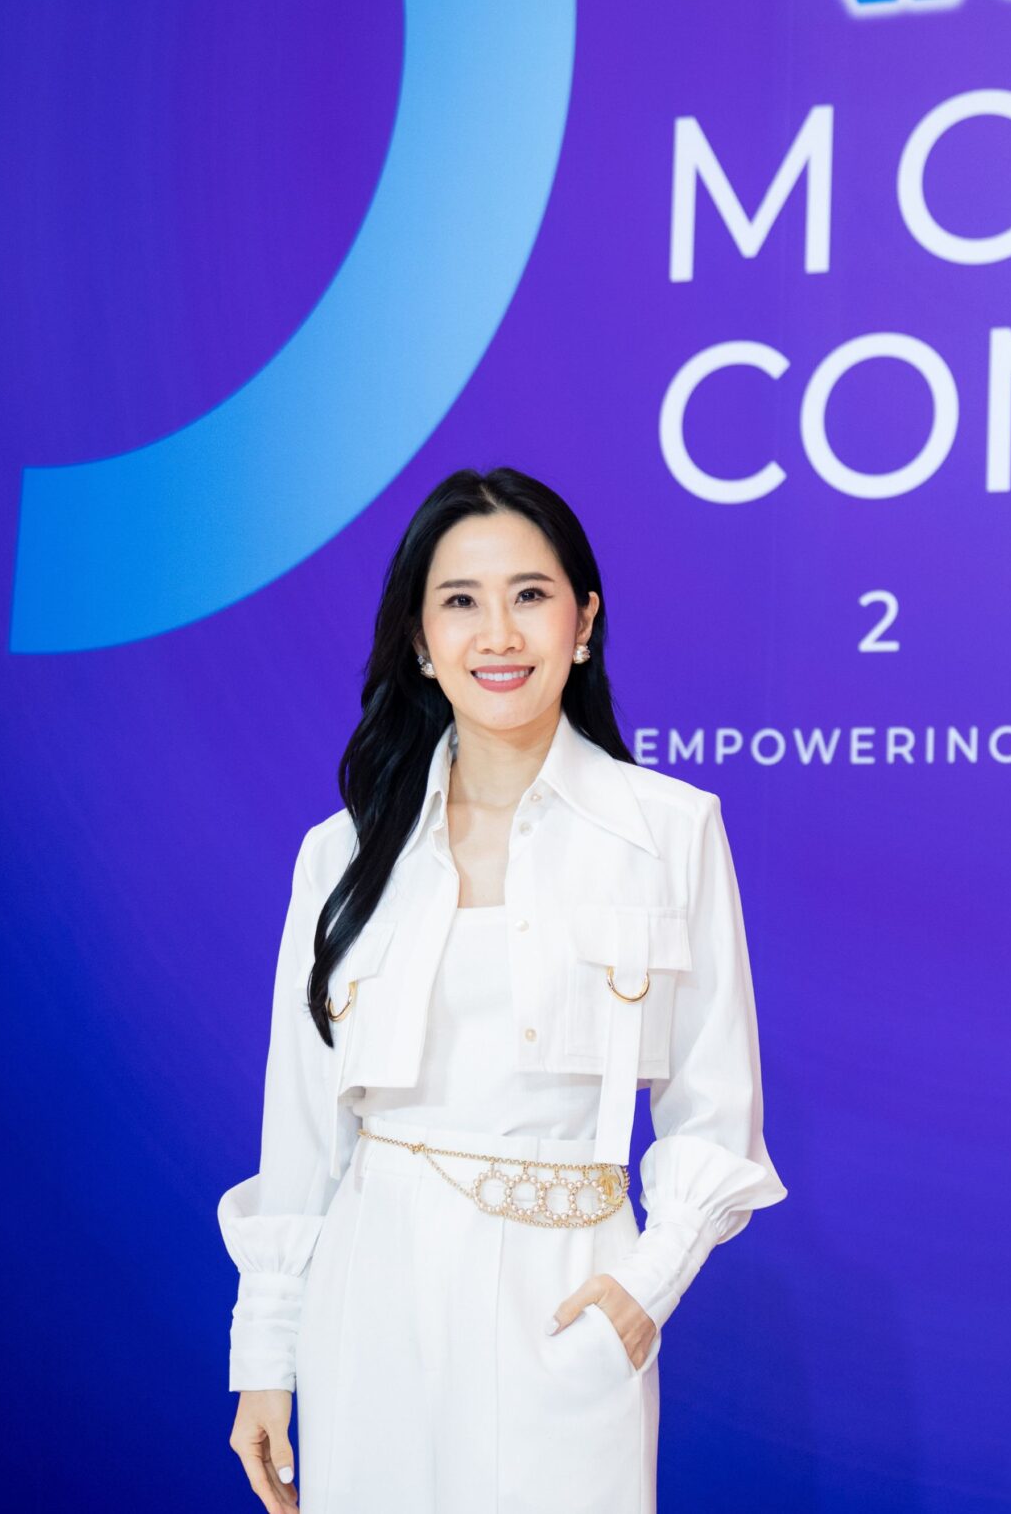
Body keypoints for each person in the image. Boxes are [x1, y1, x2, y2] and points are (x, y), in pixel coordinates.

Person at [217, 466, 784, 1511]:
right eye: (460, 602)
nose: (498, 634)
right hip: (369, 1298)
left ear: (583, 623)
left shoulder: (670, 831)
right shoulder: (339, 855)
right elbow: (301, 1132)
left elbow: (716, 1111)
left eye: (530, 595)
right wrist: (266, 1355)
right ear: (419, 640)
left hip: (566, 1298)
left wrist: (645, 1288)